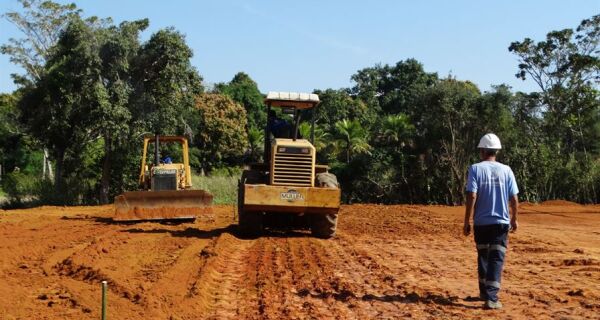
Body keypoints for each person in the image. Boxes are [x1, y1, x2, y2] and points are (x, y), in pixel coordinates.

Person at [463, 133, 519, 310]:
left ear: (482, 151)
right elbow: (514, 198)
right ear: (496, 151)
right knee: (496, 258)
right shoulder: (507, 170)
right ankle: (492, 298)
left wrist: (467, 220)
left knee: (483, 256)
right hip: (501, 223)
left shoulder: (475, 169)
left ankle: (483, 292)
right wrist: (514, 219)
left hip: (481, 222)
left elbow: (472, 194)